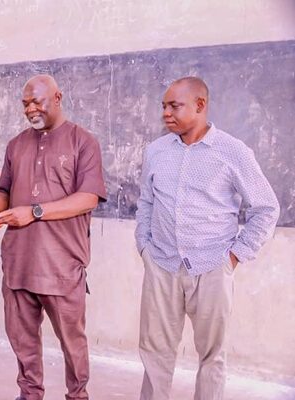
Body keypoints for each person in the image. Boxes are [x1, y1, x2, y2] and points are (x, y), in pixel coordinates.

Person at [135, 76, 280, 400]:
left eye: (175, 106)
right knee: (154, 353)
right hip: (161, 264)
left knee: (212, 356)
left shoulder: (233, 152)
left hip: (212, 266)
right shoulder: (156, 151)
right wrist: (144, 246)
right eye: (164, 106)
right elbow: (146, 203)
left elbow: (266, 207)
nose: (166, 113)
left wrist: (234, 256)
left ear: (200, 105)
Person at [0, 74, 107, 400]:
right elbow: (4, 190)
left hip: (62, 265)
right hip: (19, 264)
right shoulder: (16, 145)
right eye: (25, 104)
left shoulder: (83, 142)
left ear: (57, 98)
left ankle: (77, 395)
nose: (30, 109)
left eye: (37, 102)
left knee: (72, 343)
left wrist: (34, 212)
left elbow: (88, 198)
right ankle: (30, 394)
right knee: (22, 342)